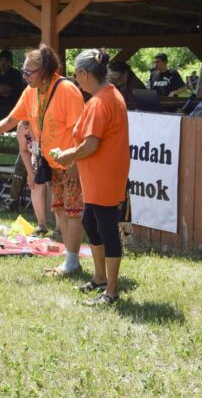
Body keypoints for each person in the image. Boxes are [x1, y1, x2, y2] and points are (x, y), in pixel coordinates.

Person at [0, 43, 85, 276]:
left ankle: (73, 262)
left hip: (72, 162)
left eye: (29, 72)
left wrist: (76, 162)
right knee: (60, 209)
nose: (24, 76)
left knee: (74, 211)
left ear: (45, 70)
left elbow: (80, 131)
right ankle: (70, 259)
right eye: (24, 71)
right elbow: (11, 120)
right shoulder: (30, 92)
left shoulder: (67, 90)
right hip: (52, 163)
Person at [52, 49, 130, 305]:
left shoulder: (99, 101)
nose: (75, 80)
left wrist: (68, 156)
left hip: (103, 176)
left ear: (85, 74)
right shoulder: (108, 94)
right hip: (99, 175)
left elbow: (91, 145)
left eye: (76, 75)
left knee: (106, 230)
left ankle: (112, 291)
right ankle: (99, 278)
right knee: (90, 222)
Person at [0, 50, 26, 119]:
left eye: (6, 61)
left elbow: (4, 89)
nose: (3, 63)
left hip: (11, 108)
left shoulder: (15, 74)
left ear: (11, 62)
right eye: (1, 60)